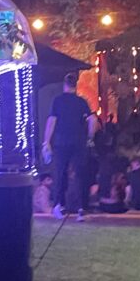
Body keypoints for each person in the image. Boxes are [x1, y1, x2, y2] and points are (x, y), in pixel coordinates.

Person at [43, 73, 96, 220]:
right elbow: (92, 119)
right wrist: (90, 137)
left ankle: (59, 205)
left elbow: (51, 121)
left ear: (64, 84)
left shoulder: (57, 101)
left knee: (60, 173)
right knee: (80, 174)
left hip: (61, 142)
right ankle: (81, 208)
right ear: (76, 85)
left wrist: (46, 141)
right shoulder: (82, 102)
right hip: (79, 141)